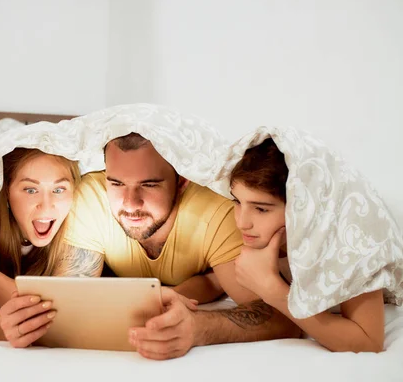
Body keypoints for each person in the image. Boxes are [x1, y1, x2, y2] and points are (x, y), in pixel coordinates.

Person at [61, 132, 301, 360]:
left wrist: (199, 327)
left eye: (149, 185)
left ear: (182, 181)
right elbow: (67, 301)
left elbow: (282, 315)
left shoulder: (217, 210)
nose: (130, 202)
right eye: (116, 183)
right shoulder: (90, 198)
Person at [231, 138, 384, 352]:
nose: (241, 222)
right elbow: (214, 278)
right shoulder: (259, 232)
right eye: (237, 201)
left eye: (261, 209)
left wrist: (272, 288)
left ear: (302, 209)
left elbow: (370, 342)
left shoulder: (349, 241)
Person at [0, 148, 92, 347]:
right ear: (6, 192)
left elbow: (61, 317)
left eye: (59, 190)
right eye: (31, 190)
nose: (46, 206)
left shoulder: (82, 231)